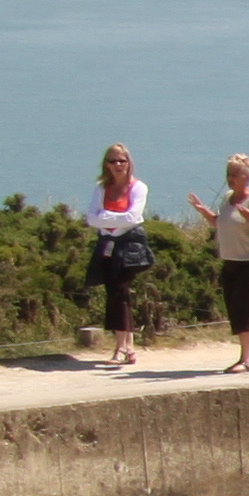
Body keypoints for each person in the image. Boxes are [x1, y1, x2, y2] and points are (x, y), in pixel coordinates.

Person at [188, 155, 249, 373]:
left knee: (246, 311)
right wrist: (203, 211)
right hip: (232, 261)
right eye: (228, 174)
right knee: (236, 311)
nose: (230, 179)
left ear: (247, 177)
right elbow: (221, 222)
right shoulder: (228, 197)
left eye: (235, 175)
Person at [83, 145, 157, 369]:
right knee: (115, 292)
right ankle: (129, 347)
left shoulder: (139, 187)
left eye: (122, 161)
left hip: (130, 244)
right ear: (106, 164)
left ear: (129, 163)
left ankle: (121, 347)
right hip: (108, 244)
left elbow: (133, 217)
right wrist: (113, 218)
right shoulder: (101, 188)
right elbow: (90, 218)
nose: (118, 166)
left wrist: (106, 217)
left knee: (119, 291)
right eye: (113, 161)